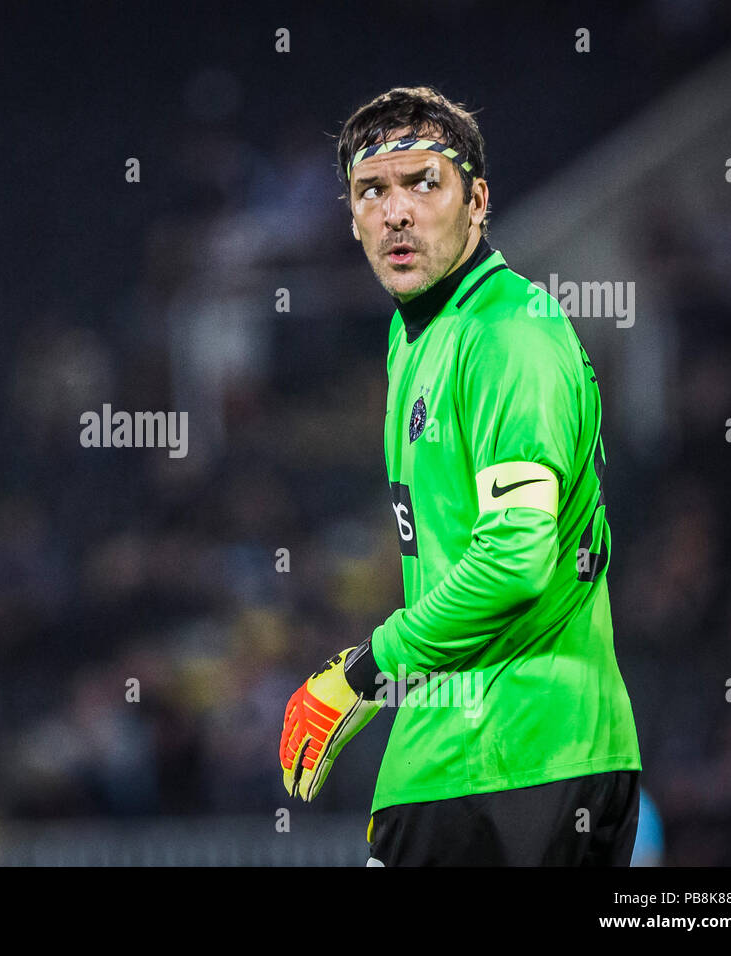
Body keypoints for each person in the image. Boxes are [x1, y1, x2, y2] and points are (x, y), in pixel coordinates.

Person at [278, 86, 642, 865]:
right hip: (472, 755)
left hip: (512, 760)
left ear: (477, 201)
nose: (396, 212)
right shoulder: (415, 339)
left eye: (423, 184)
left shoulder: (508, 335)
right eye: (373, 190)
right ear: (350, 217)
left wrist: (363, 672)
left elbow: (515, 560)